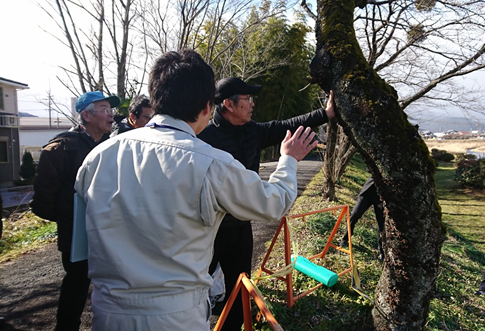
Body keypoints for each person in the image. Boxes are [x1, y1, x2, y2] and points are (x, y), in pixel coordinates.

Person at [74, 49, 318, 331]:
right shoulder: (210, 162)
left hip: (107, 315)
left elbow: (82, 249)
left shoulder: (97, 158)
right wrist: (288, 159)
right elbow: (274, 204)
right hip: (177, 316)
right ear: (207, 107)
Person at [197, 77, 335, 330]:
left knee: (240, 282)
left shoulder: (253, 130)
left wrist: (325, 114)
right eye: (248, 99)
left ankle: (234, 324)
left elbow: (288, 124)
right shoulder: (203, 137)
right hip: (207, 229)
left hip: (240, 225)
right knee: (197, 286)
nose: (252, 104)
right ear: (228, 103)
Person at [30, 91, 119, 331]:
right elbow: (43, 200)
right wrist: (70, 219)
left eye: (111, 110)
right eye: (104, 109)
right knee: (77, 283)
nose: (111, 115)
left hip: (108, 229)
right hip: (77, 233)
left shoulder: (112, 146)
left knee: (109, 282)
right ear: (86, 115)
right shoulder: (61, 148)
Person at [338, 175, 385, 261]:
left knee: (381, 224)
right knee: (354, 215)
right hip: (368, 192)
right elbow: (369, 168)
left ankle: (381, 250)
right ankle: (345, 239)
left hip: (382, 196)